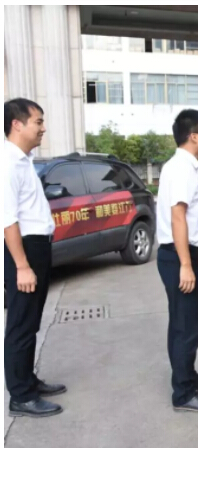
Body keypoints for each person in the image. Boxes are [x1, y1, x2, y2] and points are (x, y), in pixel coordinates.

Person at [156, 109, 198, 413]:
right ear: (193, 136)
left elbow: (184, 221)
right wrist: (186, 262)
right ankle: (183, 393)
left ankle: (188, 375)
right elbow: (178, 217)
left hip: (179, 252)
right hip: (176, 256)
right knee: (186, 326)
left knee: (182, 322)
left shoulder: (181, 166)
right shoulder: (182, 167)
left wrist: (195, 253)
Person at [4, 98, 66, 418]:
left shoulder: (24, 160)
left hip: (37, 247)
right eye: (38, 122)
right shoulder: (7, 163)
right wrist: (22, 266)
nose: (43, 128)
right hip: (24, 250)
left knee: (31, 320)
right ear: (17, 124)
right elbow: (7, 220)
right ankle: (21, 396)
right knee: (20, 323)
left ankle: (28, 380)